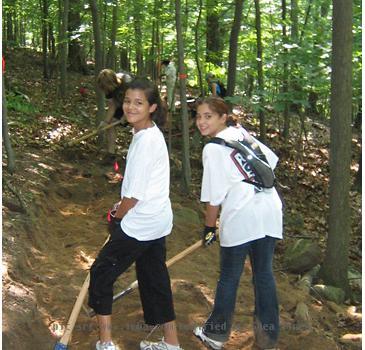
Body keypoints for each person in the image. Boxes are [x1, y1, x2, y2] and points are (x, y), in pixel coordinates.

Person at [88, 77, 183, 350]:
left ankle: (105, 342)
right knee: (154, 278)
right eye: (128, 101)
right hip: (158, 220)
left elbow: (134, 196)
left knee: (102, 273)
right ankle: (171, 342)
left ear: (152, 107)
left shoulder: (145, 142)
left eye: (139, 103)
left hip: (140, 224)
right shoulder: (148, 133)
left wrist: (118, 216)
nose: (130, 107)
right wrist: (121, 208)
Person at [193, 96, 282, 350]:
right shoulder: (242, 134)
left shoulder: (212, 148)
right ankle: (267, 340)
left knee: (229, 277)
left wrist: (210, 229)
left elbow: (213, 198)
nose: (201, 122)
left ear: (223, 117)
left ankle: (216, 334)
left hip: (243, 215)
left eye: (208, 116)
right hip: (270, 210)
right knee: (264, 275)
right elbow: (270, 164)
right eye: (198, 116)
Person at [96, 68, 133, 163]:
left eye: (107, 87)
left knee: (138, 125)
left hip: (137, 104)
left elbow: (132, 101)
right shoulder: (109, 90)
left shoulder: (127, 82)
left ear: (112, 82)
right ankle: (111, 154)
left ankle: (137, 154)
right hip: (122, 104)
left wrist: (126, 116)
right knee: (110, 124)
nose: (106, 91)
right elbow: (112, 105)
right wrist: (105, 122)